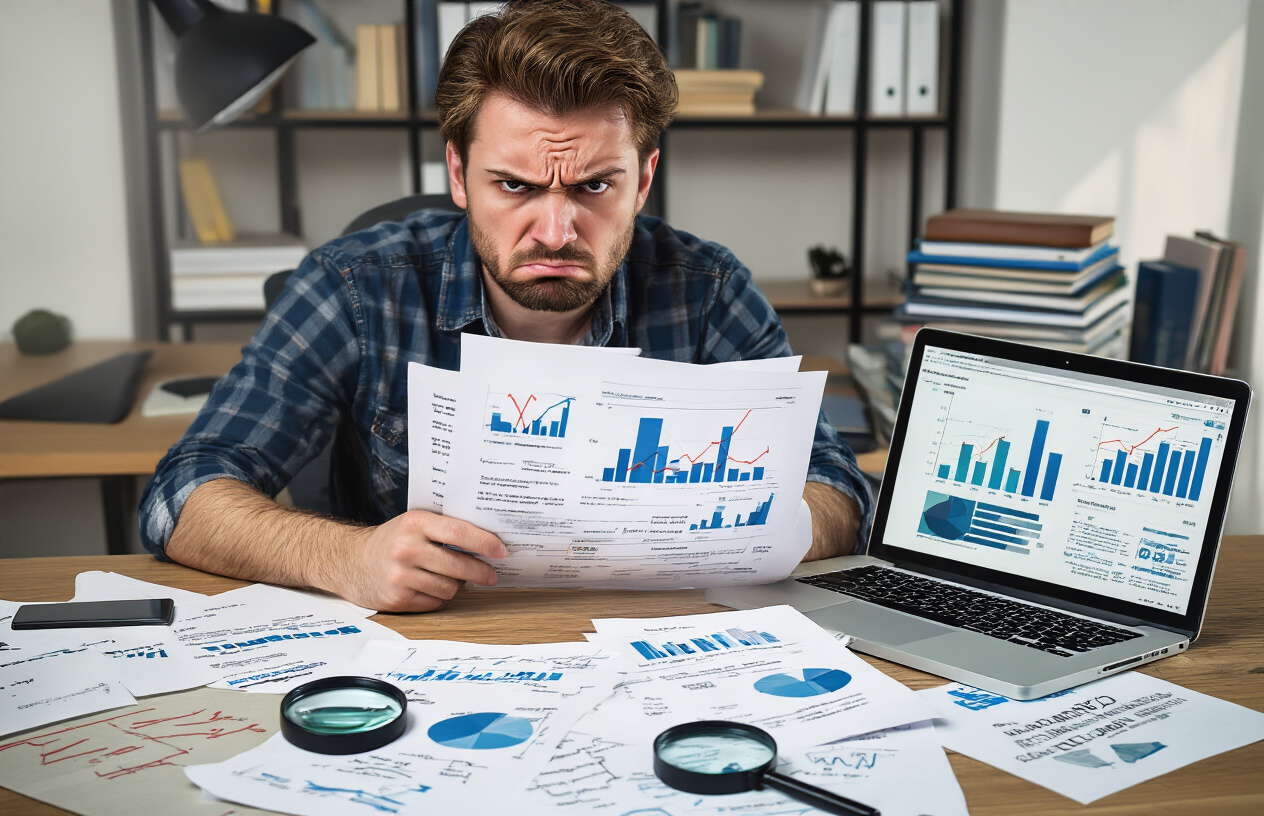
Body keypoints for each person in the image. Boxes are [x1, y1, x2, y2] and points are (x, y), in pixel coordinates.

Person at [139, 0, 873, 613]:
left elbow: (839, 489)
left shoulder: (707, 289)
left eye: (594, 186)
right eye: (515, 186)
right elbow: (182, 493)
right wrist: (346, 557)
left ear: (644, 181)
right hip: (427, 651)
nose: (555, 232)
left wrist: (754, 530)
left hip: (658, 644)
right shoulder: (356, 286)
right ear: (459, 174)